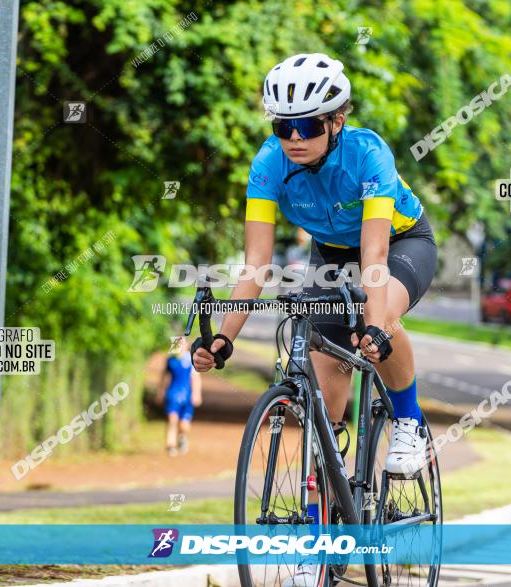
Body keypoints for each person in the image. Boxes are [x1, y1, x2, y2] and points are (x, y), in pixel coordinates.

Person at [191, 53, 437, 585]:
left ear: (336, 120)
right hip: (329, 254)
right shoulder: (268, 164)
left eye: (306, 126)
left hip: (398, 244)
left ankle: (409, 424)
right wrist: (224, 342)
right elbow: (256, 264)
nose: (293, 138)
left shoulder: (369, 155)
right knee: (324, 411)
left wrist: (372, 324)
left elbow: (373, 259)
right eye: (283, 126)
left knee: (382, 322)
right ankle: (321, 542)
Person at [157, 337, 202, 456]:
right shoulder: (171, 360)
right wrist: (160, 391)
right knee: (172, 419)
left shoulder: (190, 360)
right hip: (172, 394)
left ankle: (182, 437)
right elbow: (164, 376)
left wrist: (196, 393)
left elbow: (195, 378)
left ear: (187, 346)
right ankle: (170, 445)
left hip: (187, 396)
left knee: (184, 425)